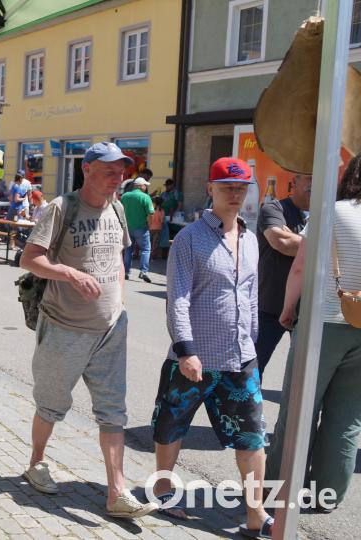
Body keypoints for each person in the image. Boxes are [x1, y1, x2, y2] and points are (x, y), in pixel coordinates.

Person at [20, 141, 155, 519]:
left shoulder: (117, 208)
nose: (118, 177)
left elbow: (119, 260)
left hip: (111, 329)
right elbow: (29, 259)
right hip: (65, 327)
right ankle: (36, 461)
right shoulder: (61, 208)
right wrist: (69, 272)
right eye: (110, 170)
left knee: (114, 413)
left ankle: (117, 492)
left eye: (122, 171)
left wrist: (119, 304)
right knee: (51, 403)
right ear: (88, 169)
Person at [151, 158, 273, 536]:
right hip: (193, 358)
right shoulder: (190, 238)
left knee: (252, 436)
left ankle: (256, 514)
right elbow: (178, 298)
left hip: (239, 359)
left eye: (241, 188)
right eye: (227, 187)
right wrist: (186, 350)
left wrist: (251, 342)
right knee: (171, 427)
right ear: (211, 189)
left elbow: (250, 296)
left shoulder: (251, 239)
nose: (235, 194)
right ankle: (163, 489)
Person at [266, 156, 361, 513]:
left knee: (299, 409)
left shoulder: (330, 212)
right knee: (348, 415)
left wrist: (289, 309)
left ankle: (279, 489)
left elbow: (301, 266)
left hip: (324, 322)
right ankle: (328, 494)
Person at [254, 173, 311, 378]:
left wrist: (296, 239)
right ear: (294, 182)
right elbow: (281, 242)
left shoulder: (329, 213)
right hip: (269, 307)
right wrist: (322, 244)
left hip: (309, 312)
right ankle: (246, 411)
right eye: (309, 178)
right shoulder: (274, 209)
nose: (314, 183)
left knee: (305, 376)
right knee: (252, 369)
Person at [120, 177, 154, 282]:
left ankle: (126, 272)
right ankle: (143, 272)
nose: (146, 187)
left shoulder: (125, 196)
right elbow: (151, 213)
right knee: (146, 249)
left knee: (128, 250)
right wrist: (150, 225)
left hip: (127, 228)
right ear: (140, 186)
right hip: (141, 228)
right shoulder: (145, 197)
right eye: (145, 185)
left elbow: (120, 210)